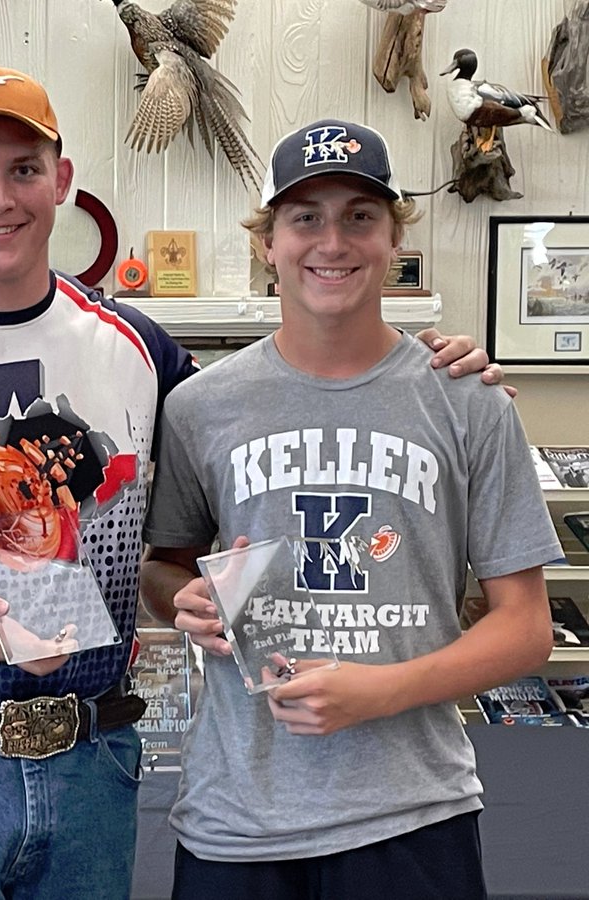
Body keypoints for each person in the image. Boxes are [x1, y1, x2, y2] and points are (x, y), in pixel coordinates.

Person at [0, 68, 497, 897]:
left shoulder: (145, 353)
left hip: (93, 764)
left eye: (24, 169)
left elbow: (257, 439)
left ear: (62, 181)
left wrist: (426, 366)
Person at [141, 119, 561, 900]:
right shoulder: (200, 406)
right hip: (237, 820)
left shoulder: (470, 402)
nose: (332, 242)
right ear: (267, 242)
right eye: (305, 217)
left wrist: (381, 690)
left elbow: (526, 626)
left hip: (412, 815)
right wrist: (186, 600)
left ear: (395, 236)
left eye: (360, 216)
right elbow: (164, 572)